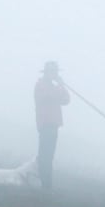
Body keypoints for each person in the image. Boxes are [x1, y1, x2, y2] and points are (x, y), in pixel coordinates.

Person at [34, 60, 70, 190]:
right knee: (44, 156)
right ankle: (44, 185)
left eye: (55, 72)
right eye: (52, 72)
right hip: (45, 124)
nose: (54, 75)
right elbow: (51, 96)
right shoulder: (41, 86)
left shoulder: (54, 87)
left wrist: (62, 86)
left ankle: (46, 185)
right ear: (46, 73)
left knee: (49, 155)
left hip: (53, 125)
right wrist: (60, 85)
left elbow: (66, 100)